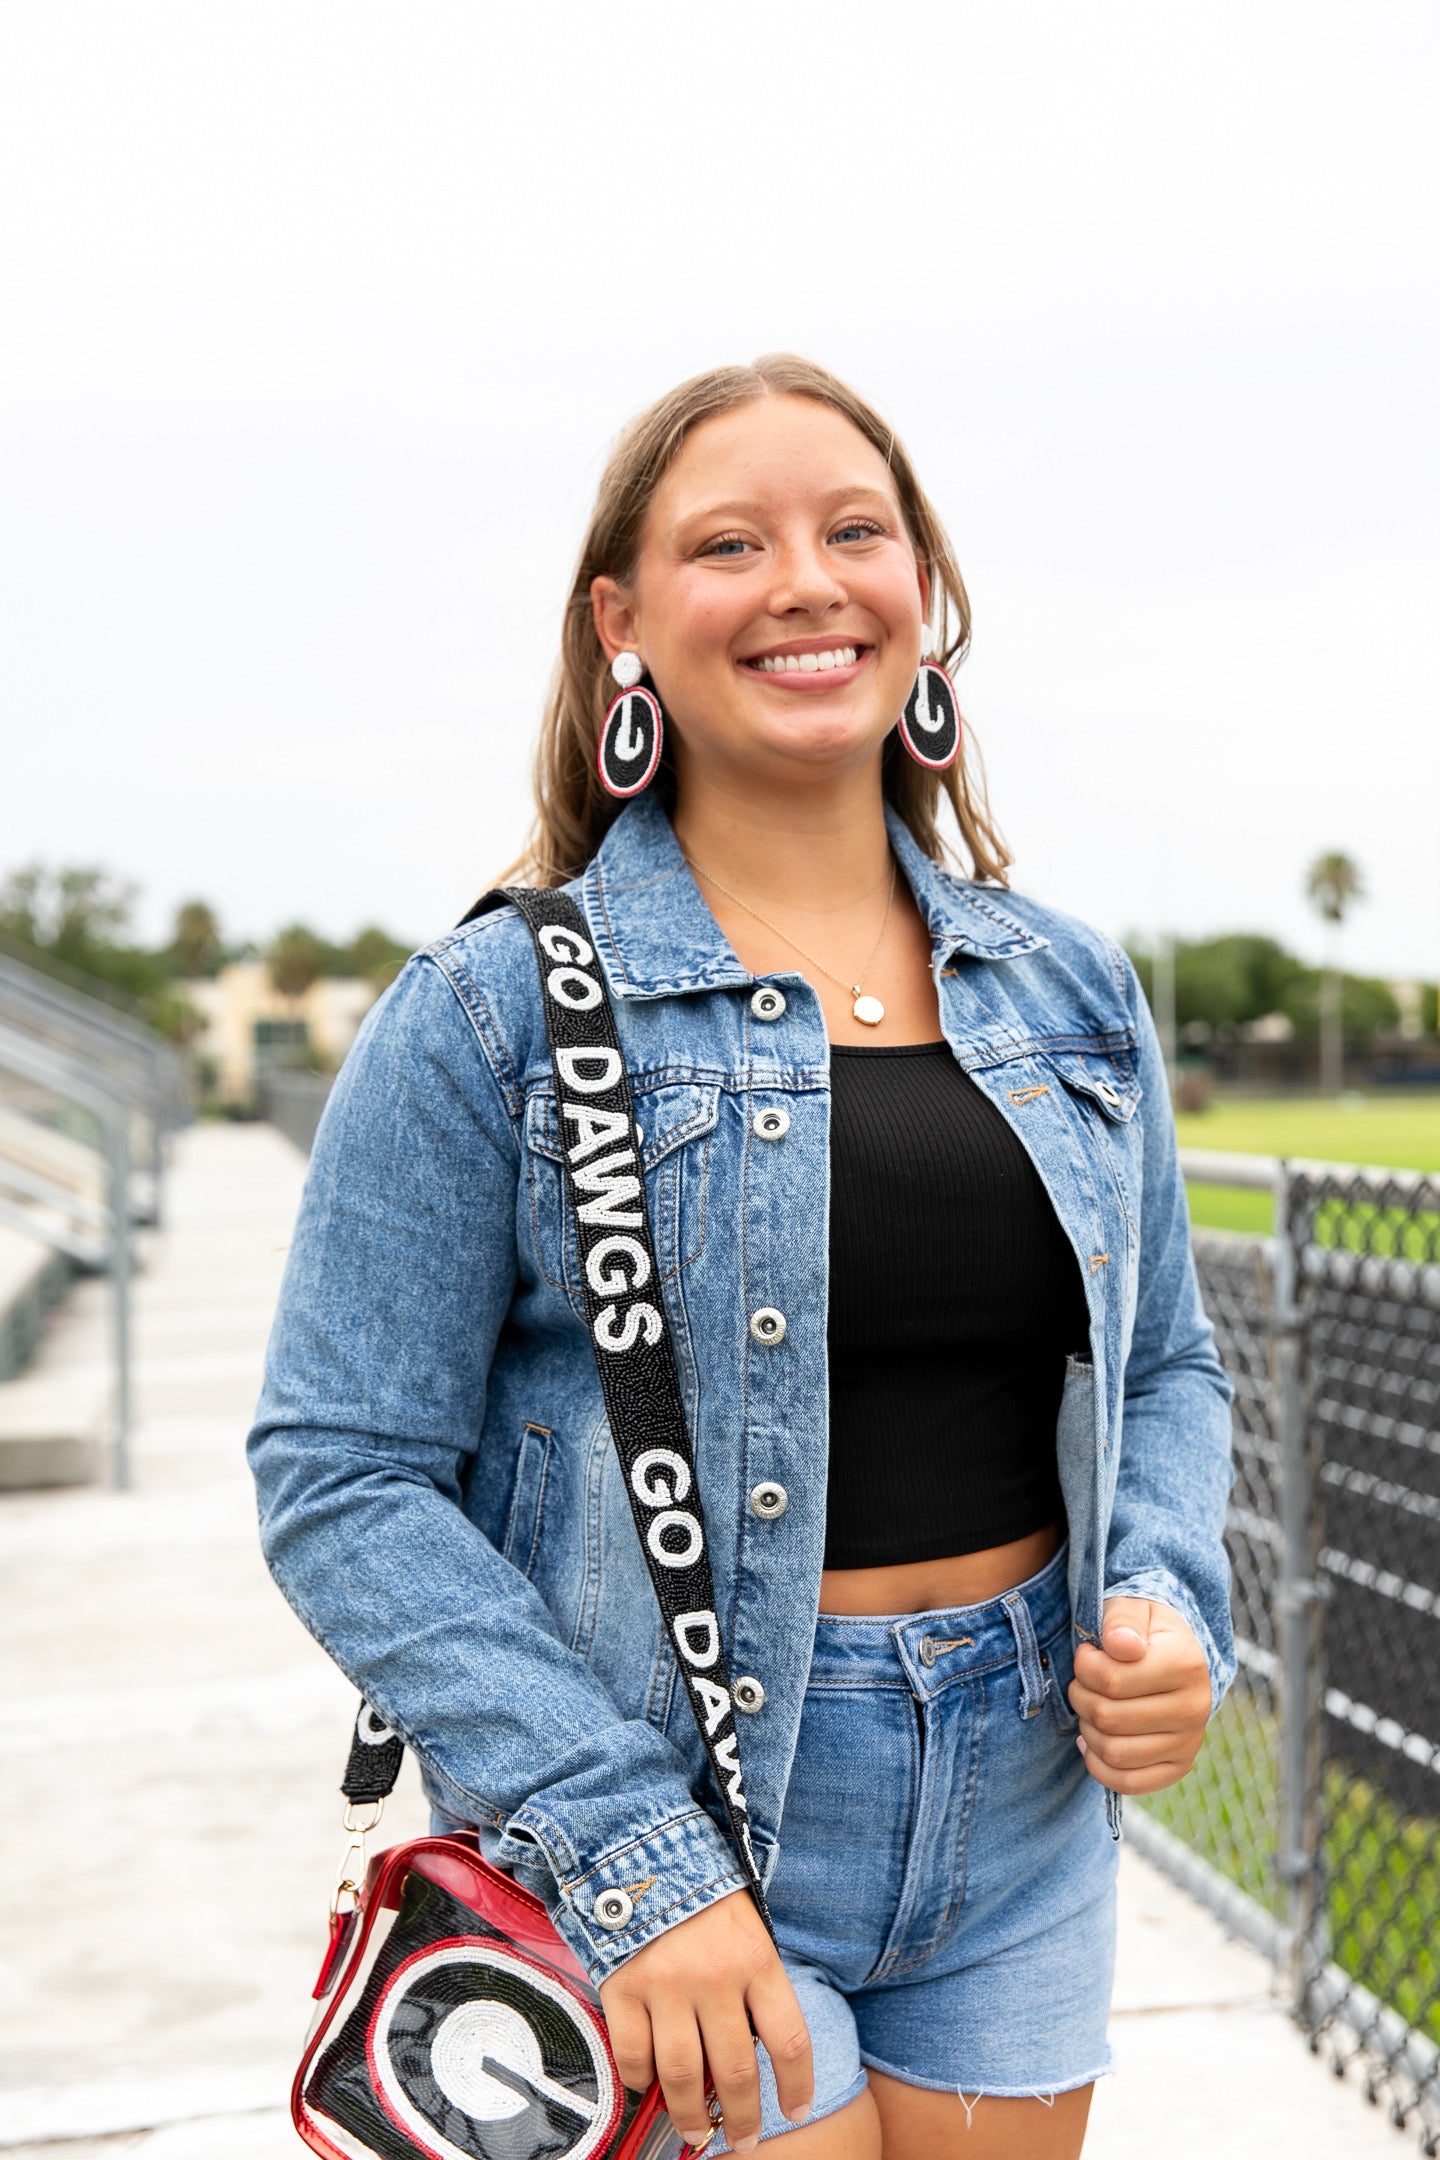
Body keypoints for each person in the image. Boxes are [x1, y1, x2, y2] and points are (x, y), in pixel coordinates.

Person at [249, 354, 1233, 2160]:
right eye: (730, 543)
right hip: (675, 1808)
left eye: (856, 529)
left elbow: (1166, 1361)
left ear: (923, 594)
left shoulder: (1071, 991)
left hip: (1022, 1794)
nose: (804, 579)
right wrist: (627, 1848)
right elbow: (339, 1473)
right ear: (622, 622)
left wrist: (1170, 1602)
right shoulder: (491, 1015)